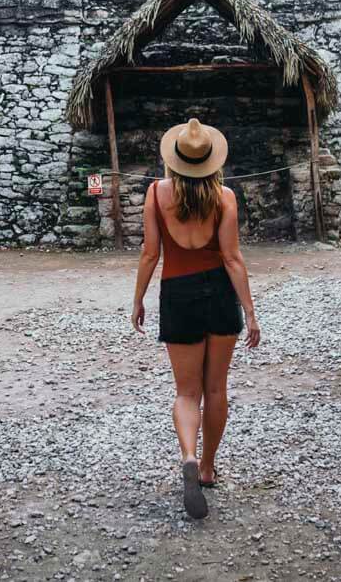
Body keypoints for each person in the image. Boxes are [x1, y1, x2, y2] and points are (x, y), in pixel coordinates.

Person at [131, 117, 261, 519]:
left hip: (178, 294)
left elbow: (150, 254)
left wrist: (137, 300)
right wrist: (251, 313)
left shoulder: (155, 193)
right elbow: (232, 258)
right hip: (219, 294)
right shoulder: (225, 197)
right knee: (216, 390)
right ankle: (206, 469)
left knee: (187, 393)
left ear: (175, 159)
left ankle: (187, 455)